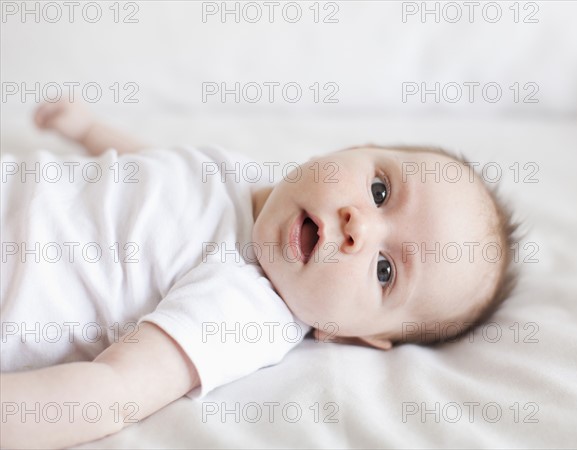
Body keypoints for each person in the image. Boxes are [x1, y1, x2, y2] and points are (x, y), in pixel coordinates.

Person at [0, 101, 517, 448]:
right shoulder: (256, 180)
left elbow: (113, 392)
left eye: (385, 271)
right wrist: (92, 131)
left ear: (349, 335)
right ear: (353, 149)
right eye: (380, 191)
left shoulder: (246, 306)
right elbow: (162, 170)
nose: (360, 225)